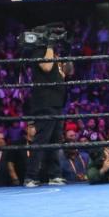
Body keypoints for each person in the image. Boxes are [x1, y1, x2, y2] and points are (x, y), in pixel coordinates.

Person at [23, 39, 73, 187]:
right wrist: (50, 46)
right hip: (45, 102)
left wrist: (67, 52)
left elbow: (66, 73)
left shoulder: (55, 55)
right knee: (41, 140)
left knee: (55, 141)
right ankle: (30, 177)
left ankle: (54, 175)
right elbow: (46, 67)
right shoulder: (38, 52)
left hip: (57, 103)